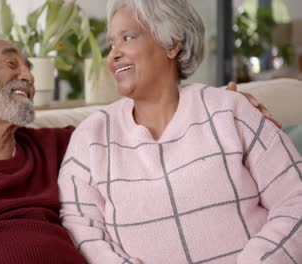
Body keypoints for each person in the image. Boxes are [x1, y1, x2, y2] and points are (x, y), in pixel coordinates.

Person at [0, 35, 276, 263]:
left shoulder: (61, 146)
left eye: (29, 67)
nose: (29, 76)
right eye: (12, 64)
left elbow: (145, 124)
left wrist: (220, 108)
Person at [57, 0, 302, 263]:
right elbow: (83, 230)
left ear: (172, 44)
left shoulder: (230, 111)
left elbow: (295, 200)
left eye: (127, 38)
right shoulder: (90, 137)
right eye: (112, 44)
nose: (112, 56)